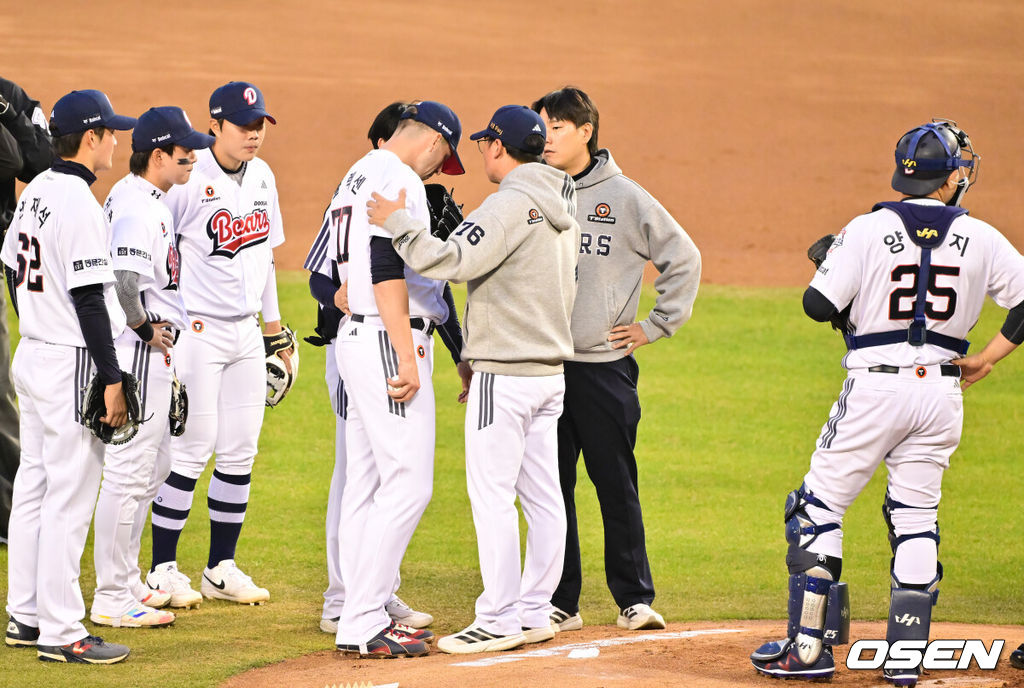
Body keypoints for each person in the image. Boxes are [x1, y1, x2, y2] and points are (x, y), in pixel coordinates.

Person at [750, 120, 1024, 685]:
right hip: (943, 391)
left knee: (816, 509)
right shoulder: (986, 239)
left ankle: (807, 650)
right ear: (951, 179)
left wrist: (842, 270)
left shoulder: (868, 229)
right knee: (916, 514)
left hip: (875, 389)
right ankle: (904, 658)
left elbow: (816, 305)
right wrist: (988, 357)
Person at [367, 104, 580, 654]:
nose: (483, 149)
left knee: (492, 498)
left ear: (498, 147)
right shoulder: (562, 199)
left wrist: (399, 222)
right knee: (544, 499)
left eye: (487, 142)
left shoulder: (509, 204)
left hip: (504, 377)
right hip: (550, 375)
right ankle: (534, 610)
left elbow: (449, 260)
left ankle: (500, 617)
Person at [529, 86, 701, 632]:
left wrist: (655, 325)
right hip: (543, 366)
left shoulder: (625, 197)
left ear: (585, 132)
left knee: (614, 483)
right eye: (542, 126)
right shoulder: (531, 190)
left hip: (603, 368)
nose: (547, 136)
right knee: (550, 489)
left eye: (557, 126)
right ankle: (561, 599)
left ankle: (633, 598)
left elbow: (684, 258)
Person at [304, 101, 458, 635]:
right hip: (387, 336)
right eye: (445, 157)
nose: (441, 170)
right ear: (433, 142)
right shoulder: (400, 180)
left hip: (355, 337)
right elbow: (387, 266)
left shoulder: (358, 172)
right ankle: (363, 617)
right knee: (409, 485)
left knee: (365, 483)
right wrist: (405, 354)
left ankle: (353, 609)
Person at [146, 82, 293, 606]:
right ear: (216, 125)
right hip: (199, 335)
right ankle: (162, 568)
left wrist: (275, 332)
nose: (253, 135)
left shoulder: (263, 176)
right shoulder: (189, 178)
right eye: (243, 126)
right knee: (190, 451)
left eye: (258, 126)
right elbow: (156, 257)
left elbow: (265, 258)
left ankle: (219, 567)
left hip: (247, 334)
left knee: (240, 452)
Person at [2, 89, 135, 663]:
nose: (116, 141)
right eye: (111, 132)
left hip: (33, 355)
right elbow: (88, 300)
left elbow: (10, 268)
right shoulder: (78, 202)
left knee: (33, 487)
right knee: (69, 496)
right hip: (67, 359)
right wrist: (112, 376)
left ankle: (25, 615)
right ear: (90, 139)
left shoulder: (37, 194)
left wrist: (34, 322)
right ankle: (62, 632)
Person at [90, 107, 215, 628]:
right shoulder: (139, 208)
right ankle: (112, 596)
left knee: (152, 469)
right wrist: (145, 329)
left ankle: (128, 580)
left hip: (151, 349)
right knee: (128, 474)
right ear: (158, 156)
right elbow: (123, 279)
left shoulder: (144, 197)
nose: (193, 160)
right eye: (185, 153)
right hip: (137, 351)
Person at [0, 76, 52, 546]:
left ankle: (11, 511)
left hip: (2, 260)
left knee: (2, 392)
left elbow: (37, 162)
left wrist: (7, 112)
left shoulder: (11, 98)